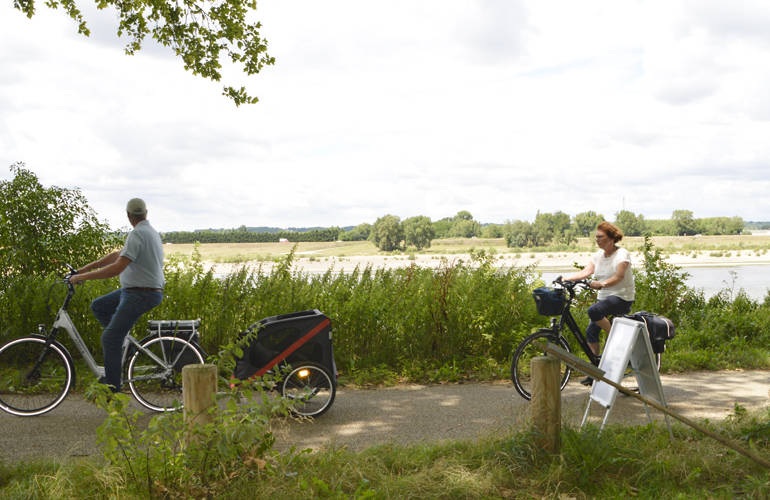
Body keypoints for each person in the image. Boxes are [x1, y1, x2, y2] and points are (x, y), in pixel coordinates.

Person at [69, 198, 164, 392]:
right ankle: (123, 344)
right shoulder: (148, 232)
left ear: (129, 216)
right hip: (138, 291)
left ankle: (113, 388)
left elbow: (117, 267)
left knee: (109, 338)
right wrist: (82, 270)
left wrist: (84, 277)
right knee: (99, 306)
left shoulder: (138, 234)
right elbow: (116, 256)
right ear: (145, 213)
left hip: (140, 294)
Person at [564, 221, 635, 385]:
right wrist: (566, 278)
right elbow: (586, 272)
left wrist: (602, 284)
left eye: (600, 237)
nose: (597, 239)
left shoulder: (622, 254)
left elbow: (619, 277)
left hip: (621, 297)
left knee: (594, 312)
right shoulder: (598, 256)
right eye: (596, 237)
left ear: (611, 238)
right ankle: (594, 371)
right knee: (591, 332)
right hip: (605, 298)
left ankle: (616, 339)